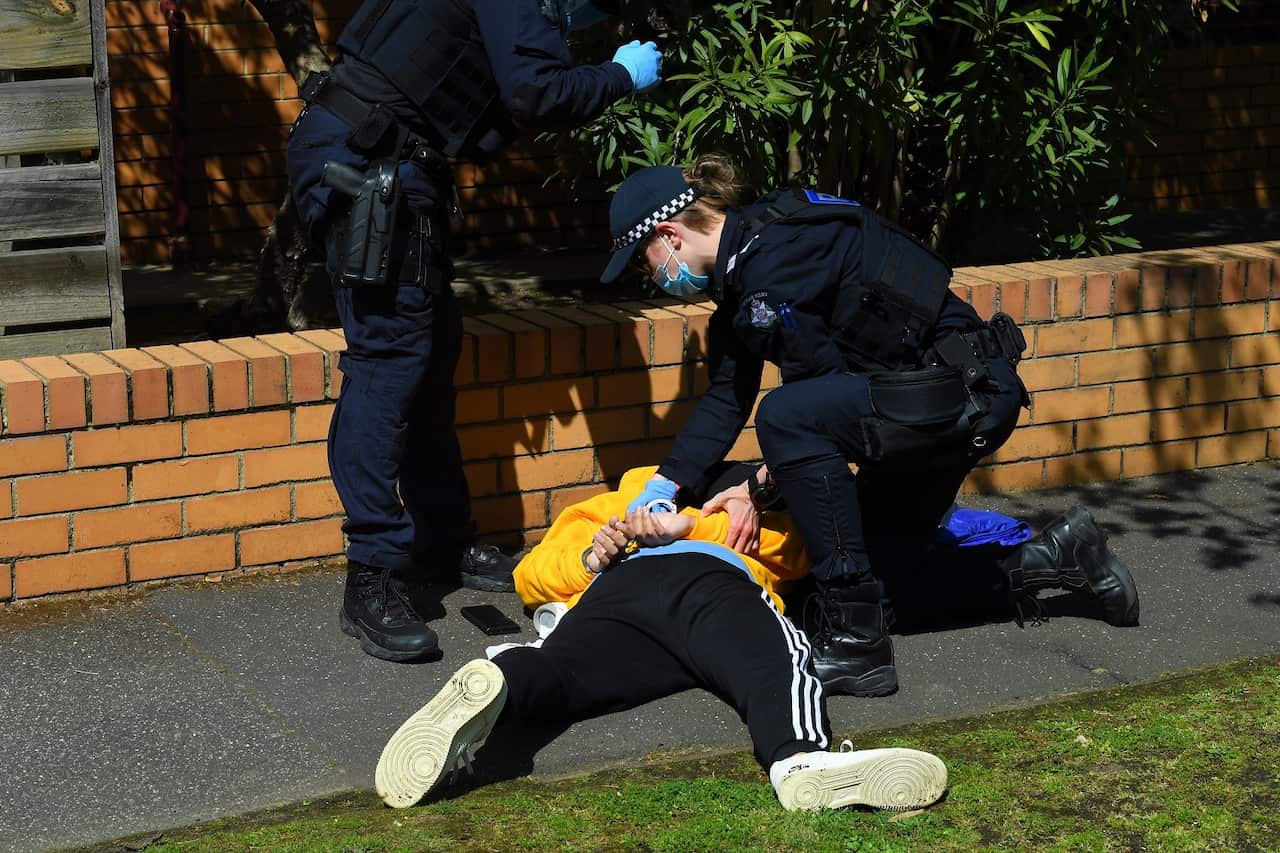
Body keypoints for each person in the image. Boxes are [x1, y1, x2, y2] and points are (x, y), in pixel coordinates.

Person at [285, 0, 663, 661]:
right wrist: (620, 76)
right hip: (369, 163)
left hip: (391, 160)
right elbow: (535, 92)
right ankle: (371, 576)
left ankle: (443, 541)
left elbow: (493, 92)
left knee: (430, 356)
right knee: (388, 363)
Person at [596, 156, 1035, 697]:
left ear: (668, 235)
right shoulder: (751, 262)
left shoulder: (771, 272)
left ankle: (856, 646)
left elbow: (814, 404)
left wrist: (753, 489)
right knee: (887, 582)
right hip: (939, 397)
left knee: (786, 414)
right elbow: (726, 398)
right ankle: (1057, 560)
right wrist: (664, 487)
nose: (652, 275)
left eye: (645, 261)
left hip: (958, 396)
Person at [373, 465, 950, 812]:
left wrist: (687, 524)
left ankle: (501, 682)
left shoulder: (734, 500)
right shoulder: (627, 504)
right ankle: (800, 761)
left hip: (625, 601)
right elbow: (799, 555)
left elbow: (529, 577)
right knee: (776, 662)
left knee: (562, 675)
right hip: (700, 582)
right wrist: (592, 555)